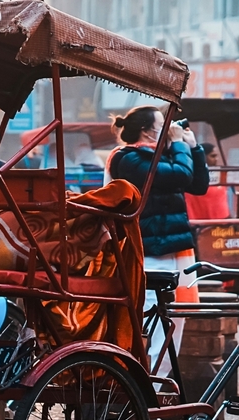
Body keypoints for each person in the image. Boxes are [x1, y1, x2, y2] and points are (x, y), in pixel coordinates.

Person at [106, 105, 209, 379]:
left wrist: (194, 148)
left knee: (174, 322)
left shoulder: (162, 157)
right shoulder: (128, 159)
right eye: (162, 125)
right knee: (150, 323)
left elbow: (198, 185)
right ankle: (141, 387)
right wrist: (179, 145)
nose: (168, 129)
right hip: (147, 252)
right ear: (146, 130)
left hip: (174, 250)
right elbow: (180, 175)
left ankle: (157, 387)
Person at [185, 143, 230, 220]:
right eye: (212, 156)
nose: (216, 159)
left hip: (222, 221)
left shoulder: (220, 174)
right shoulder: (193, 176)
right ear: (203, 156)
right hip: (199, 222)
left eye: (216, 156)